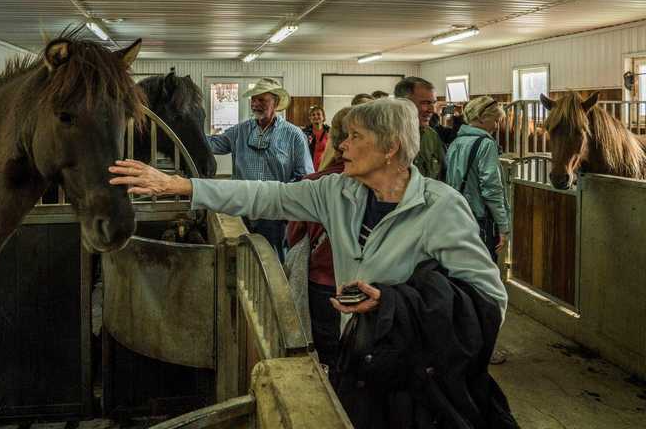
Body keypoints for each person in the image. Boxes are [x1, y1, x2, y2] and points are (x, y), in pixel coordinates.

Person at [109, 98, 510, 426]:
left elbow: (490, 300)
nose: (342, 146)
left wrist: (393, 303)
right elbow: (268, 196)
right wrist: (182, 185)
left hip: (416, 375)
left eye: (356, 137)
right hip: (359, 359)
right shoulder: (338, 192)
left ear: (390, 148)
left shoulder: (440, 208)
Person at [205, 77, 313, 262]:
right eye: (253, 100)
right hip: (242, 209)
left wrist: (284, 198)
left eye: (261, 100)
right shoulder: (240, 131)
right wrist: (186, 130)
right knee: (242, 258)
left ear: (276, 102)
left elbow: (305, 176)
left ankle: (274, 291)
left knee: (273, 261)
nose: (255, 104)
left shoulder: (293, 135)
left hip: (274, 211)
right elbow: (212, 145)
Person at [286, 107, 350, 385]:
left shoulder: (314, 183)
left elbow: (294, 233)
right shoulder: (390, 186)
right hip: (371, 284)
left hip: (323, 280)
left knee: (329, 351)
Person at [446, 96, 511, 366]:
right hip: (481, 221)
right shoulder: (484, 144)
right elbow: (491, 188)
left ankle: (458, 342)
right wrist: (504, 227)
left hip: (457, 218)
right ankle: (483, 348)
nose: (496, 126)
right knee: (485, 288)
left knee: (461, 282)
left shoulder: (458, 141)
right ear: (483, 118)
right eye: (495, 120)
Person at [394, 76, 447, 180]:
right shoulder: (382, 136)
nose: (432, 109)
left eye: (433, 103)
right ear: (403, 102)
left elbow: (443, 176)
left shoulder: (432, 136)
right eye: (425, 103)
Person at [302, 105, 330, 170]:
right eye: (313, 115)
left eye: (318, 114)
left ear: (323, 117)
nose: (316, 116)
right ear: (310, 117)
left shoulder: (330, 132)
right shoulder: (304, 133)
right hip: (308, 169)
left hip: (325, 169)